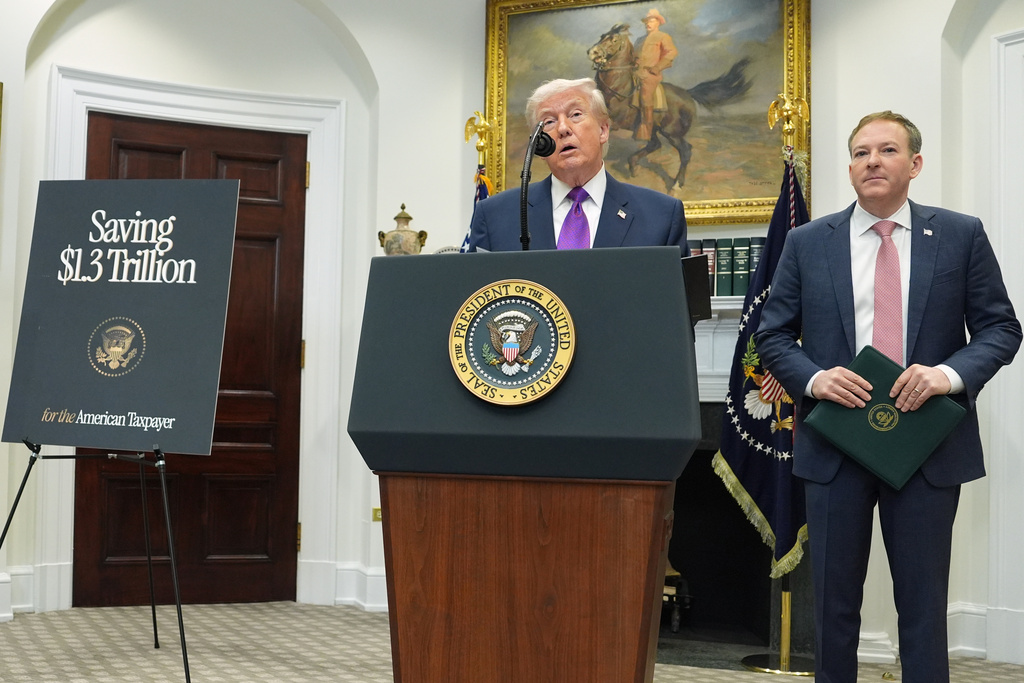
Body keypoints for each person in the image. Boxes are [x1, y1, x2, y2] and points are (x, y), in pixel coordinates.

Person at [754, 111, 1021, 683]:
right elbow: (771, 334)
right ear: (850, 166)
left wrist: (948, 375)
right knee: (832, 608)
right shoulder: (807, 242)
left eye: (887, 150)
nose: (872, 161)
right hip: (836, 443)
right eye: (860, 152)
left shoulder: (960, 235)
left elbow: (1001, 328)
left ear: (915, 164)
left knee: (923, 608)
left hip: (926, 446)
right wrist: (814, 380)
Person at [466, 77, 686, 252]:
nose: (563, 128)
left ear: (603, 130)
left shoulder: (662, 215)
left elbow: (678, 296)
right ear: (539, 145)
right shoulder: (495, 216)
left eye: (576, 114)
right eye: (549, 121)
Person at [633, 8, 677, 142]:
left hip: (650, 74)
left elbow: (672, 52)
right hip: (635, 72)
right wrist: (634, 61)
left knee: (645, 95)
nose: (648, 23)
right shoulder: (639, 40)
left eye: (651, 21)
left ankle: (646, 129)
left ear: (658, 22)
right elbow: (634, 55)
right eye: (646, 21)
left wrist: (658, 67)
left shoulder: (663, 36)